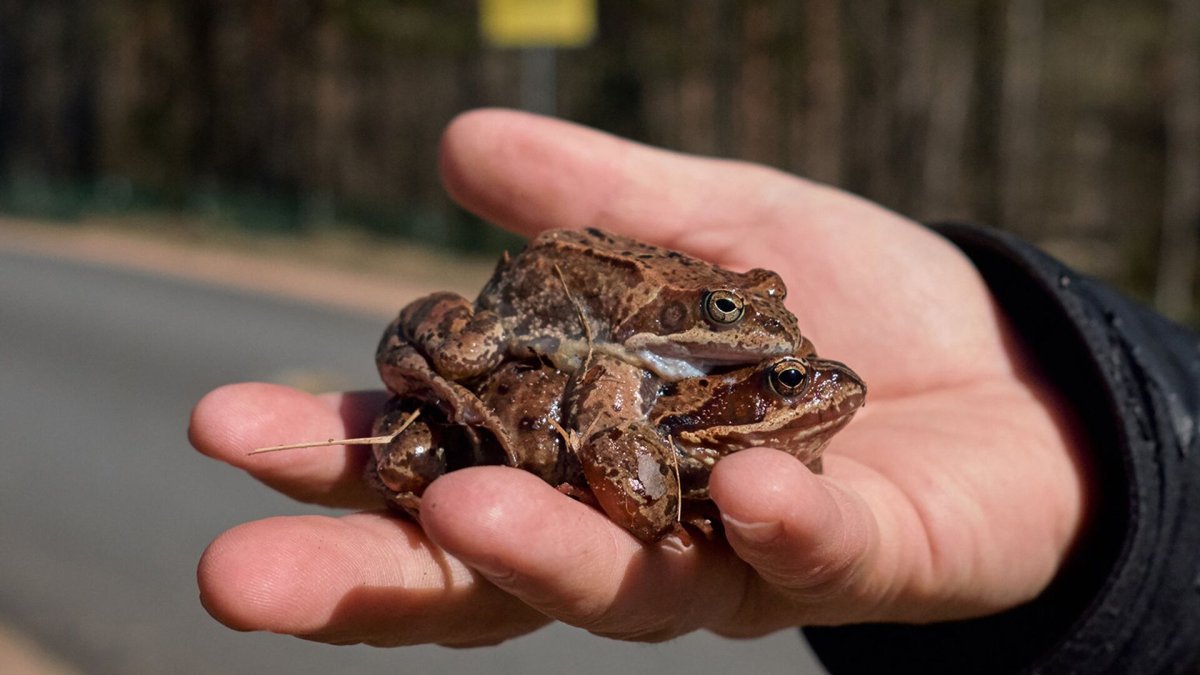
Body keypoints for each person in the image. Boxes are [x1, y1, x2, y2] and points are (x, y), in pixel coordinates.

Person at [188, 109, 1200, 673]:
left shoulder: (700, 370)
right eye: (724, 317)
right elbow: (611, 439)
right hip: (531, 309)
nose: (750, 330)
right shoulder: (628, 358)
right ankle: (431, 380)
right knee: (464, 356)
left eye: (756, 311)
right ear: (682, 321)